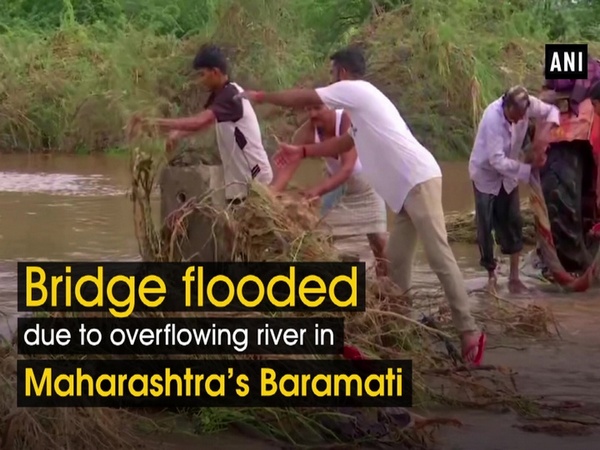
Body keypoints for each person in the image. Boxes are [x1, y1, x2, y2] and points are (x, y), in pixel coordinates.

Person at [237, 46, 485, 365]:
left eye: (332, 74)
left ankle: (470, 333)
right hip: (405, 194)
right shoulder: (360, 112)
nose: (330, 82)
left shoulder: (357, 91)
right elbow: (344, 144)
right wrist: (303, 153)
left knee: (439, 255)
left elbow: (302, 97)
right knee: (395, 267)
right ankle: (397, 333)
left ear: (341, 73)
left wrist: (261, 96)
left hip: (418, 180)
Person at [136, 44, 273, 203]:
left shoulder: (232, 96)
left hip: (256, 182)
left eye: (202, 74)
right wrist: (178, 134)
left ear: (215, 72)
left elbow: (199, 122)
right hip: (241, 185)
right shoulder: (223, 94)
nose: (200, 81)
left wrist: (154, 123)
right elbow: (207, 123)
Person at [271, 104, 389, 276]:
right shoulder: (306, 133)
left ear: (332, 106)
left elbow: (347, 168)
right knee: (322, 235)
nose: (312, 114)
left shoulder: (347, 120)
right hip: (337, 189)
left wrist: (317, 190)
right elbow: (287, 171)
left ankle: (387, 289)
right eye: (308, 109)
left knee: (379, 243)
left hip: (367, 188)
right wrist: (269, 196)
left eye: (318, 108)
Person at [469, 86, 560, 294]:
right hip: (485, 176)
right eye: (515, 117)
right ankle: (491, 276)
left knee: (514, 222)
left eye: (523, 117)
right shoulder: (492, 119)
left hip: (509, 177)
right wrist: (526, 170)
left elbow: (552, 111)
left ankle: (514, 278)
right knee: (485, 226)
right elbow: (496, 161)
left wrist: (543, 137)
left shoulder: (528, 105)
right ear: (506, 106)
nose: (519, 121)